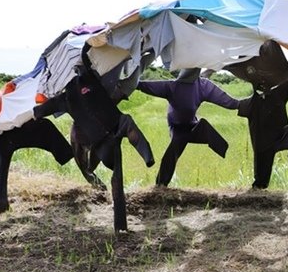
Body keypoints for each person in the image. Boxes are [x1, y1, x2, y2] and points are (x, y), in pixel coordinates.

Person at [33, 48, 155, 232]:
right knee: (102, 166)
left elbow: (40, 111)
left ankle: (145, 155)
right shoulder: (72, 92)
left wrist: (88, 46)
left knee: (125, 127)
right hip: (100, 140)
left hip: (107, 134)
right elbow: (40, 111)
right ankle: (98, 183)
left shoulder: (83, 85)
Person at [136, 67, 240, 187]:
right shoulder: (172, 86)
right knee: (171, 153)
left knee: (204, 125)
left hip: (192, 126)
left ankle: (223, 148)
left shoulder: (203, 86)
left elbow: (227, 101)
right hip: (177, 127)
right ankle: (160, 185)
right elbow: (143, 86)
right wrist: (128, 83)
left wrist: (242, 105)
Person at [236, 79, 288, 189]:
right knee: (263, 156)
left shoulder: (276, 94)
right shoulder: (257, 100)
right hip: (265, 132)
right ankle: (260, 183)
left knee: (263, 156)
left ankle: (260, 183)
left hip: (267, 131)